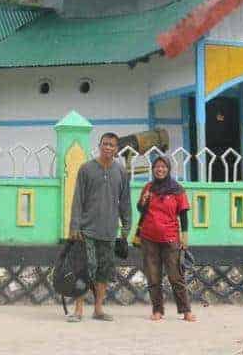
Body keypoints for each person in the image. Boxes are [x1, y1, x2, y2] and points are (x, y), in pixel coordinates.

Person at [67, 132, 131, 322]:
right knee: (85, 269)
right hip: (87, 230)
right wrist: (74, 226)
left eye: (112, 145)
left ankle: (98, 309)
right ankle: (78, 310)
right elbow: (78, 198)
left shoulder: (121, 171)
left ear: (117, 149)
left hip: (109, 231)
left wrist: (126, 227)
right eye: (105, 144)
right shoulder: (86, 169)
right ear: (99, 145)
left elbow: (125, 201)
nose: (108, 147)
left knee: (104, 272)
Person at [137, 156, 195, 322]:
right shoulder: (148, 187)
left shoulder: (178, 190)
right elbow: (140, 209)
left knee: (176, 276)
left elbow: (183, 215)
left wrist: (184, 237)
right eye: (157, 167)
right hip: (149, 238)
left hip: (171, 239)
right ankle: (157, 310)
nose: (160, 169)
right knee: (153, 277)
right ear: (153, 169)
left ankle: (186, 311)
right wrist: (143, 200)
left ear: (168, 169)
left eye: (163, 167)